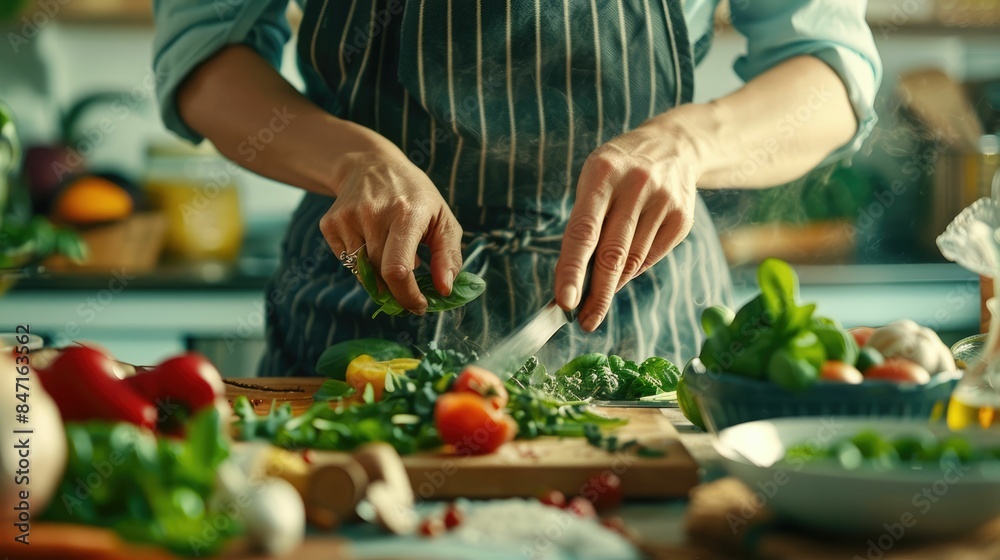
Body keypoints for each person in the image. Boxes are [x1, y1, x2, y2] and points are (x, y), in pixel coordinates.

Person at [152, 0, 880, 375]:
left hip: (647, 328)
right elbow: (206, 54)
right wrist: (351, 160)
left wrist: (689, 144)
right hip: (358, 321)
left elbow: (830, 73)